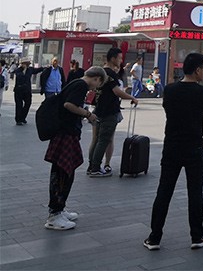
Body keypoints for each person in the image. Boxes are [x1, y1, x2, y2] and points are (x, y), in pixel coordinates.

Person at [144, 53, 203, 251]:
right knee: (195, 192)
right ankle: (197, 236)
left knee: (164, 191)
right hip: (194, 147)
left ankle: (154, 237)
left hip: (172, 146)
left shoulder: (170, 89)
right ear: (197, 70)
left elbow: (168, 110)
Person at [43, 66, 107, 230]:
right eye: (98, 84)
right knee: (63, 173)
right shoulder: (81, 85)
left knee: (65, 172)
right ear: (96, 78)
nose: (95, 89)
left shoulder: (76, 83)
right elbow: (69, 105)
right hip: (66, 133)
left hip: (65, 133)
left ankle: (59, 209)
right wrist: (88, 114)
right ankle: (54, 215)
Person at [87, 47, 138, 177]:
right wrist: (132, 98)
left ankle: (91, 166)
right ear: (113, 58)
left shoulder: (101, 72)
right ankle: (96, 168)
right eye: (119, 58)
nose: (121, 60)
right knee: (104, 140)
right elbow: (116, 91)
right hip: (109, 111)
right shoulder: (110, 73)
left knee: (96, 139)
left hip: (98, 109)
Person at [12, 57, 44, 125]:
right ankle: (18, 120)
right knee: (19, 105)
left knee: (28, 103)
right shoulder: (18, 70)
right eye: (26, 64)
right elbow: (20, 76)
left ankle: (23, 117)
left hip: (27, 90)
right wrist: (24, 70)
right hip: (19, 90)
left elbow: (37, 70)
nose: (27, 65)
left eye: (28, 64)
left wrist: (44, 68)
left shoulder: (30, 69)